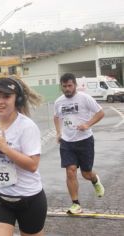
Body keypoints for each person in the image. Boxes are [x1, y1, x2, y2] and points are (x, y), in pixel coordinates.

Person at [0, 77, 47, 236]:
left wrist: (4, 148)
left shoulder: (27, 127)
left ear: (17, 99)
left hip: (29, 198)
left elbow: (32, 165)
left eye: (6, 96)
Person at [54, 73, 105, 214]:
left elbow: (100, 113)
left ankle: (95, 180)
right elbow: (56, 117)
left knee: (86, 173)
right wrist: (58, 132)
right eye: (64, 86)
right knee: (70, 171)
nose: (67, 89)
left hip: (85, 141)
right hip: (67, 142)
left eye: (69, 86)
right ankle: (76, 204)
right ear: (61, 87)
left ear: (75, 85)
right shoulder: (59, 102)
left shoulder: (85, 98)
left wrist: (87, 124)